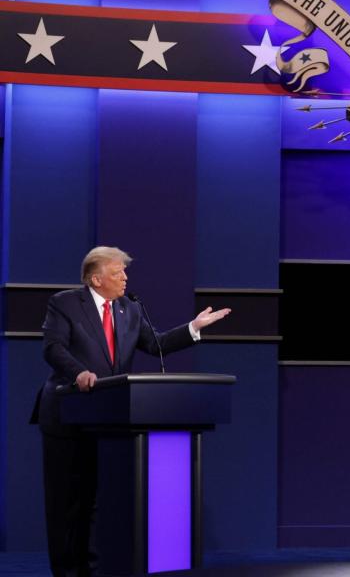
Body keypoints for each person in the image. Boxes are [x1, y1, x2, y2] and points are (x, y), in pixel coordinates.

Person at [30, 246, 231, 577]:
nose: (125, 278)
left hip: (111, 419)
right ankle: (67, 573)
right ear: (96, 279)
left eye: (125, 272)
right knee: (68, 504)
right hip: (68, 415)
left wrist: (193, 327)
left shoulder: (129, 309)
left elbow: (156, 345)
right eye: (117, 272)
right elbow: (54, 348)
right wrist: (78, 372)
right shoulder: (65, 303)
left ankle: (98, 569)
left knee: (101, 502)